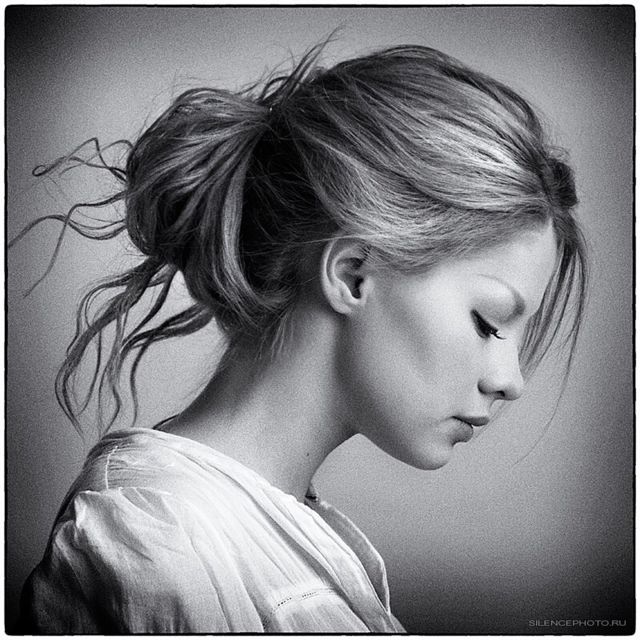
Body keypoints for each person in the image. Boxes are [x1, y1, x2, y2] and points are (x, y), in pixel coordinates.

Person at [17, 41, 586, 633]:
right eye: (488, 322)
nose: (510, 381)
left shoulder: (256, 535)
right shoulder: (163, 550)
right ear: (353, 275)